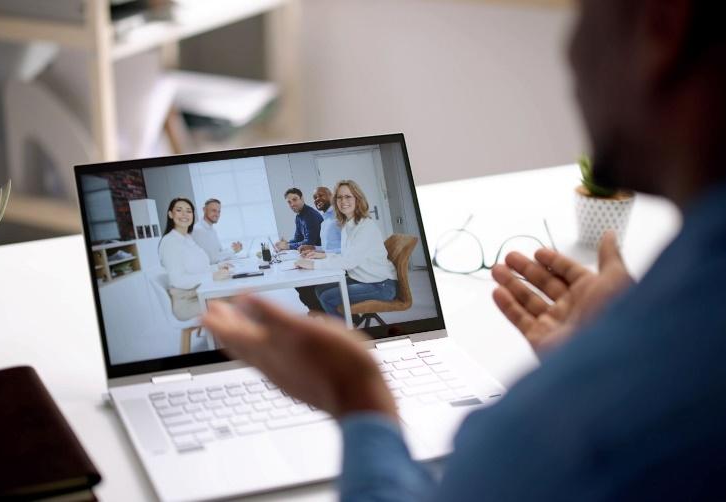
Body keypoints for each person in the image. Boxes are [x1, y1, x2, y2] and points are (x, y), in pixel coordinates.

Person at [203, 1, 726, 500]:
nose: (570, 54)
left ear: (663, 25)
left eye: (583, 13)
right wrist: (614, 344)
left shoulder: (557, 441)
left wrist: (359, 398)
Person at [296, 180, 398, 318]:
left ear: (357, 198)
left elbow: (348, 262)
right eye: (339, 197)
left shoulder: (365, 227)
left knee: (328, 297)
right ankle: (347, 324)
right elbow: (345, 256)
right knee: (320, 289)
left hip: (380, 285)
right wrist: (323, 255)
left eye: (348, 196)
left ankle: (345, 332)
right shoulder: (348, 224)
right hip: (362, 278)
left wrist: (313, 264)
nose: (343, 201)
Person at [158, 198, 230, 321]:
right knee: (234, 302)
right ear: (170, 214)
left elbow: (200, 268)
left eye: (189, 211)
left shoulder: (187, 238)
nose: (185, 214)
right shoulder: (170, 242)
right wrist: (212, 276)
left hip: (199, 293)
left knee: (236, 295)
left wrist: (217, 268)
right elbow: (178, 280)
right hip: (187, 302)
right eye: (179, 210)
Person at [296, 186, 342, 312]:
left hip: (339, 265)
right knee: (300, 281)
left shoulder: (339, 218)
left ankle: (326, 315)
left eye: (321, 195)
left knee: (305, 286)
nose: (317, 199)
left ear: (331, 196)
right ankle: (322, 314)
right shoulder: (325, 220)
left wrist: (321, 254)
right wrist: (314, 248)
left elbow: (345, 249)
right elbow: (330, 246)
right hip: (329, 260)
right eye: (315, 197)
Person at [191, 198, 243, 265]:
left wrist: (234, 250)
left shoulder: (212, 230)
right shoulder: (198, 230)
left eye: (219, 211)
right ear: (204, 210)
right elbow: (211, 259)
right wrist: (232, 250)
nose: (217, 214)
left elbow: (218, 253)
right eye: (213, 210)